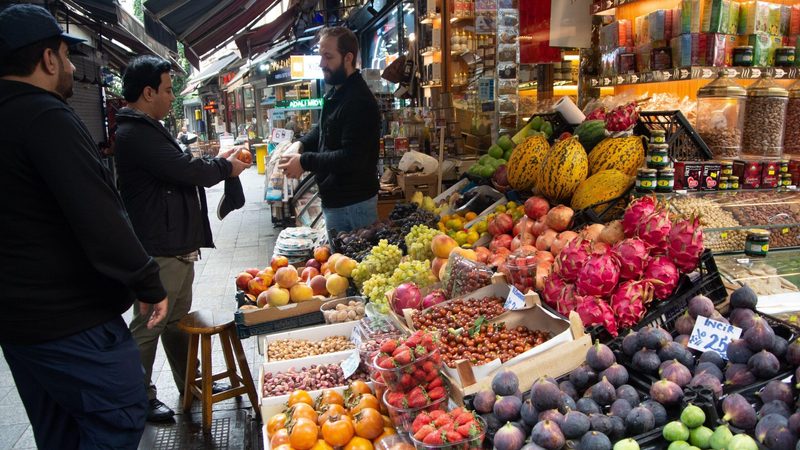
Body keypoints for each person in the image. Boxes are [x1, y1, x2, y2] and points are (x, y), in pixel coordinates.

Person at [0, 4, 169, 449]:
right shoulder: (46, 116)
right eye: (67, 55)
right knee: (118, 415)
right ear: (48, 60)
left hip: (20, 326)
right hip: (71, 320)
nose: (73, 67)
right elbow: (99, 214)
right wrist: (148, 281)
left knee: (58, 430)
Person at [114, 55, 250, 422]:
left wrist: (220, 161)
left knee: (176, 321)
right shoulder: (135, 133)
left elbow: (180, 168)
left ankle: (191, 381)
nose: (172, 97)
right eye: (169, 89)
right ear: (147, 92)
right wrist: (226, 167)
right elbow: (185, 170)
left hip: (174, 243)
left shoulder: (147, 128)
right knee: (149, 326)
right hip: (159, 247)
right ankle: (138, 398)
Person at [278, 26, 380, 243]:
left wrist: (304, 161)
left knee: (355, 270)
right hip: (339, 202)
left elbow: (351, 157)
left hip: (353, 206)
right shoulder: (337, 92)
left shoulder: (358, 101)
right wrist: (301, 145)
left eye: (328, 56)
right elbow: (324, 130)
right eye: (320, 56)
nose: (322, 63)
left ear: (348, 58)